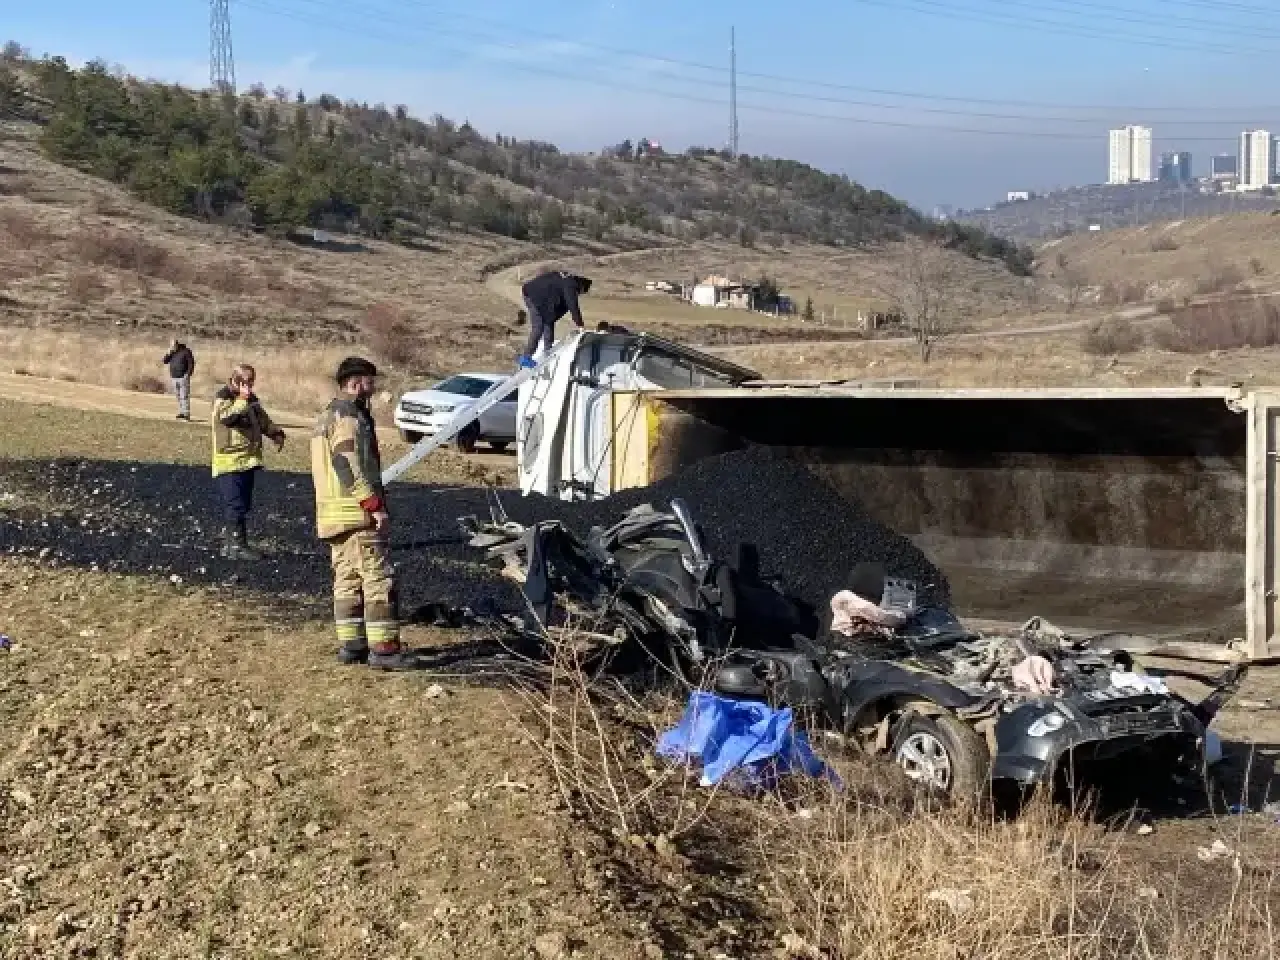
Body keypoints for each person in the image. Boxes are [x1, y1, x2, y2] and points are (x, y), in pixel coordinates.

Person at [311, 357, 415, 671]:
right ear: (356, 383)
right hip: (357, 517)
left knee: (346, 582)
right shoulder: (348, 418)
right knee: (378, 580)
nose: (374, 388)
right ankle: (384, 651)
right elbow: (346, 463)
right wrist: (373, 505)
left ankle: (352, 645)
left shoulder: (325, 417)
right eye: (370, 382)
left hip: (333, 517)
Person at [210, 364, 286, 559]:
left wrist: (275, 433)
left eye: (252, 382)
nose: (250, 386)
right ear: (235, 379)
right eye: (246, 382)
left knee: (243, 503)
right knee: (235, 503)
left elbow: (262, 419)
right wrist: (242, 399)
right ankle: (236, 545)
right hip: (230, 460)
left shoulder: (250, 399)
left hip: (247, 460)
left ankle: (231, 544)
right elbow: (227, 418)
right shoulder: (223, 397)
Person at [517, 271, 592, 367]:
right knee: (538, 327)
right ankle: (526, 357)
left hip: (540, 296)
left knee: (548, 321)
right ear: (581, 286)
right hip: (533, 295)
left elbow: (554, 314)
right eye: (581, 292)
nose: (579, 294)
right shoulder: (570, 285)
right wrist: (580, 324)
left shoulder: (566, 281)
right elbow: (573, 304)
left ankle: (547, 351)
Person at [162, 339, 196, 421]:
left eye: (173, 346)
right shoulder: (172, 352)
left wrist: (188, 374)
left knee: (184, 396)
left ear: (177, 344)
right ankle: (181, 412)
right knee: (178, 396)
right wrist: (169, 352)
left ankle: (186, 414)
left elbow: (191, 363)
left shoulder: (186, 351)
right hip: (174, 377)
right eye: (171, 346)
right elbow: (165, 361)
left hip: (183, 377)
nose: (172, 347)